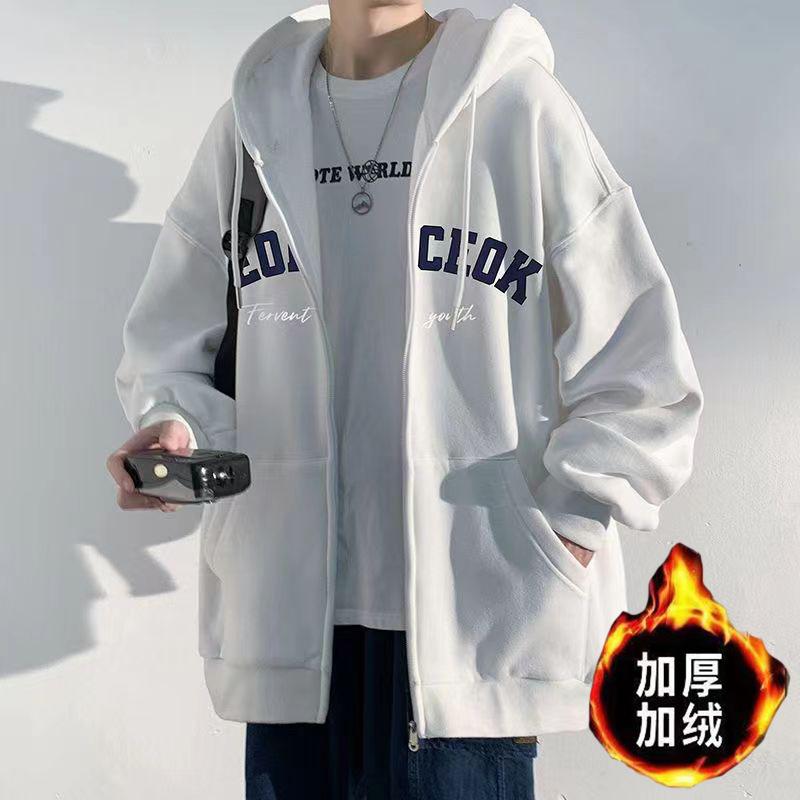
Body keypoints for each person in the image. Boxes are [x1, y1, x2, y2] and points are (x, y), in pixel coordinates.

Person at [107, 2, 704, 798]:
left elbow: (644, 372)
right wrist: (177, 430)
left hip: (471, 643)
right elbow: (167, 344)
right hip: (293, 639)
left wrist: (561, 534)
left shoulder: (520, 110)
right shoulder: (251, 126)